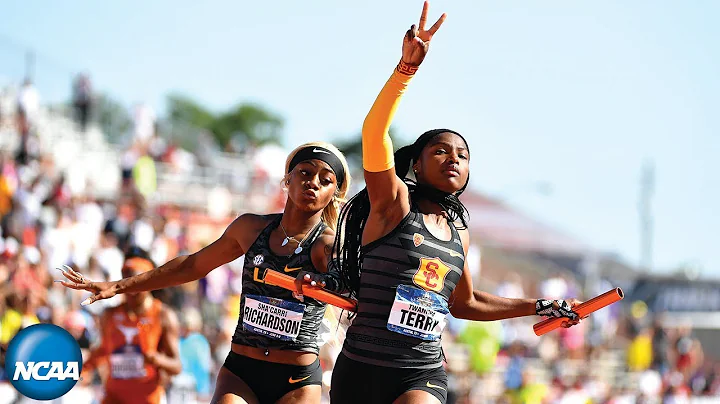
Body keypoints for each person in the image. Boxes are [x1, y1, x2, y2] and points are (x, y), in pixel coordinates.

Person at [299, 3, 581, 403]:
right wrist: (405, 70)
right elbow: (374, 131)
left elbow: (466, 303)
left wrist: (539, 305)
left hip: (421, 372)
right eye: (441, 152)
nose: (453, 159)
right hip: (361, 367)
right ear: (416, 163)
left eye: (462, 156)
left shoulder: (460, 234)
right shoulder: (393, 203)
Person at [60, 141, 351, 404]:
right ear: (286, 179)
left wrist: (324, 282)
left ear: (333, 195)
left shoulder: (326, 246)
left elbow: (346, 284)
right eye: (305, 173)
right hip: (242, 373)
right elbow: (191, 266)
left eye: (325, 181)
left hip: (295, 380)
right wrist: (120, 286)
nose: (313, 182)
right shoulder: (251, 228)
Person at [68, 247, 182, 404]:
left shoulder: (163, 315)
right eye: (125, 279)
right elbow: (103, 350)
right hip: (113, 399)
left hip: (148, 400)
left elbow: (176, 366)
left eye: (135, 279)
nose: (130, 288)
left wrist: (155, 359)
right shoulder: (110, 315)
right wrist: (76, 371)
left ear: (146, 281)